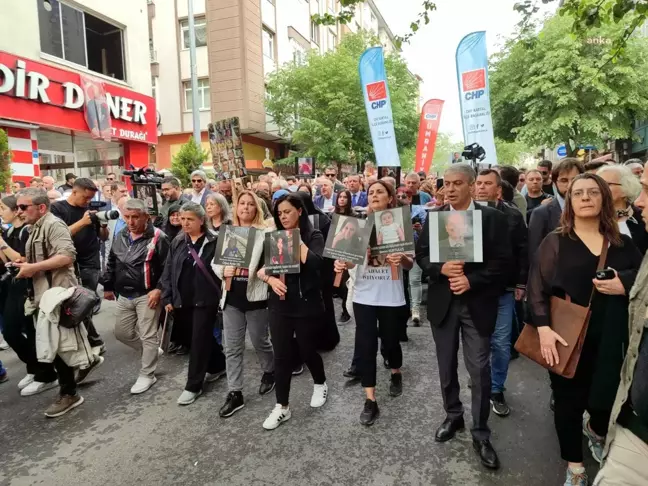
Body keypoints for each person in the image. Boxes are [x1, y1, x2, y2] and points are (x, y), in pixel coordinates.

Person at [526, 173, 642, 485]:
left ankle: (596, 429)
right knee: (568, 402)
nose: (586, 197)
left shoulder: (624, 243)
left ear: (605, 198)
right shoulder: (556, 242)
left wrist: (624, 284)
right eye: (578, 193)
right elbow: (536, 289)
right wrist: (544, 329)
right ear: (570, 202)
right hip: (566, 336)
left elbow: (643, 280)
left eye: (593, 192)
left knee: (606, 398)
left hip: (613, 336)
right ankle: (575, 467)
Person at [416, 163, 511, 470]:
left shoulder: (493, 218)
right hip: (444, 303)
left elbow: (503, 264)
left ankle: (481, 433)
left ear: (472, 185)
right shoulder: (434, 218)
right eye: (447, 183)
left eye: (458, 183)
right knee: (446, 366)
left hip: (477, 304)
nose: (452, 188)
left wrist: (473, 280)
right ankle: (453, 416)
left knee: (479, 370)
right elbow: (422, 256)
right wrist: (439, 268)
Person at [14, 188, 103, 417]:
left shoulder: (53, 225)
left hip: (56, 296)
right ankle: (84, 366)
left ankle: (69, 393)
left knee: (58, 347)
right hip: (43, 297)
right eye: (18, 207)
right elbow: (45, 256)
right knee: (57, 346)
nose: (19, 211)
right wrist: (26, 263)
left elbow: (67, 256)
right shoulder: (35, 227)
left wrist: (32, 268)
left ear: (41, 207)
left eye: (24, 207)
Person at [334, 180, 413, 426]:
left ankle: (396, 371)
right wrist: (341, 264)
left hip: (390, 295)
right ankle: (370, 399)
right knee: (366, 344)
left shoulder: (400, 223)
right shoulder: (357, 224)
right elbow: (348, 260)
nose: (374, 195)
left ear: (390, 198)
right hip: (364, 295)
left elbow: (410, 263)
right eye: (370, 192)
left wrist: (401, 259)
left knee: (390, 341)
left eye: (380, 191)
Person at [594, 162, 648, 485]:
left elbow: (636, 271)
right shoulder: (577, 224)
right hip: (634, 424)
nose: (641, 202)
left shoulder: (638, 230)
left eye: (603, 186)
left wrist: (623, 283)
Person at [257, 194, 328, 430]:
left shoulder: (313, 235)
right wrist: (270, 280)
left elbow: (318, 264)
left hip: (306, 304)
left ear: (299, 211)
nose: (283, 216)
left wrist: (295, 242)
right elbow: (262, 270)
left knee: (307, 350)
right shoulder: (274, 238)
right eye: (279, 213)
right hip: (279, 304)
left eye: (287, 211)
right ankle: (282, 407)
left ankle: (320, 382)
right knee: (282, 355)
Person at [213, 191, 275, 418]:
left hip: (256, 296)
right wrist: (223, 270)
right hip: (231, 298)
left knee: (260, 341)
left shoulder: (266, 232)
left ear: (257, 209)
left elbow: (278, 259)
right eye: (242, 204)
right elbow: (216, 263)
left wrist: (266, 270)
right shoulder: (229, 232)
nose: (246, 207)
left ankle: (270, 371)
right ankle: (235, 392)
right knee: (232, 347)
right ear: (236, 207)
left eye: (251, 204)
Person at [160, 203, 227, 405]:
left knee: (198, 341)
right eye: (182, 219)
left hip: (205, 300)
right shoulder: (178, 241)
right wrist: (168, 296)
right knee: (193, 337)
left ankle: (193, 385)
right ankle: (218, 364)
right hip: (183, 300)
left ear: (201, 220)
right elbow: (169, 270)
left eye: (190, 219)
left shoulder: (215, 241)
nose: (185, 223)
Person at [475, 169, 528, 416]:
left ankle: (496, 388)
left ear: (498, 190)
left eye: (488, 184)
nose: (482, 187)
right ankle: (480, 378)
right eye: (479, 183)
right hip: (473, 290)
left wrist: (520, 283)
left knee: (501, 343)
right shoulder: (465, 214)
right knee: (477, 341)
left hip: (504, 290)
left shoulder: (513, 216)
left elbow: (523, 251)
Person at [102, 199, 169, 394]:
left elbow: (168, 267)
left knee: (148, 335)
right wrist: (108, 285)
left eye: (135, 217)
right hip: (124, 294)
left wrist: (159, 289)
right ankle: (151, 350)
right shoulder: (121, 235)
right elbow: (112, 261)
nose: (130, 222)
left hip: (147, 294)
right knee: (121, 332)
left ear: (146, 217)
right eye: (127, 217)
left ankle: (147, 374)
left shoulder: (158, 237)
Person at [0, 195, 59, 396]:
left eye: (2, 208)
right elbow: (6, 260)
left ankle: (46, 373)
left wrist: (1, 243)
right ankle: (34, 367)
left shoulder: (27, 230)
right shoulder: (9, 231)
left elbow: (22, 259)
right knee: (14, 331)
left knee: (27, 331)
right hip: (12, 284)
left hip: (27, 285)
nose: (1, 212)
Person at [51, 178, 108, 359]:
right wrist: (83, 222)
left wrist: (103, 224)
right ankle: (93, 340)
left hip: (90, 262)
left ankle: (92, 341)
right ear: (74, 191)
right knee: (74, 306)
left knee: (86, 304)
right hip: (67, 263)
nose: (87, 202)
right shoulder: (58, 209)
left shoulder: (90, 211)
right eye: (85, 197)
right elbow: (58, 236)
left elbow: (103, 237)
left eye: (91, 198)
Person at [529, 158, 585, 257]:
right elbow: (535, 254)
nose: (570, 185)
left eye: (575, 179)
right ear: (555, 183)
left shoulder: (593, 209)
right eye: (564, 180)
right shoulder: (541, 214)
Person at [597, 164, 648, 254]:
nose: (598, 189)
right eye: (597, 184)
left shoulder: (642, 217)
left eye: (606, 184)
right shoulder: (592, 219)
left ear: (625, 188)